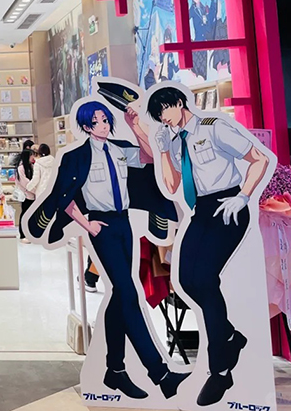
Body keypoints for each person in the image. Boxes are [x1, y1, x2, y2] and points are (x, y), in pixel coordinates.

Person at [27, 98, 188, 400]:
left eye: (105, 120)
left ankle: (114, 371)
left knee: (119, 296)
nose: (103, 125)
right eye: (97, 121)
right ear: (86, 126)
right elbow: (66, 194)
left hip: (124, 223)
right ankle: (161, 374)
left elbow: (150, 158)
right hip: (101, 227)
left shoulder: (120, 150)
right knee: (127, 294)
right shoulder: (76, 156)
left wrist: (135, 126)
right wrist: (87, 225)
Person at [148, 86, 271, 406]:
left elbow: (258, 159)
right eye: (158, 116)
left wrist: (243, 196)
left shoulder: (213, 128)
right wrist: (163, 151)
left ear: (178, 103)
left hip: (228, 205)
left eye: (164, 111)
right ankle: (229, 336)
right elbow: (173, 185)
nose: (163, 119)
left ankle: (221, 371)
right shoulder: (176, 140)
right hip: (201, 211)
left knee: (203, 279)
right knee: (186, 279)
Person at [14, 147, 35, 241]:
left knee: (31, 216)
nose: (33, 157)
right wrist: (34, 189)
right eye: (31, 155)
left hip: (32, 195)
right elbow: (25, 182)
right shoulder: (21, 168)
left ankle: (30, 234)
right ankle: (23, 235)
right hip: (26, 195)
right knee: (25, 215)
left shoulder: (32, 166)